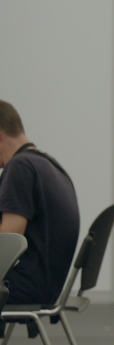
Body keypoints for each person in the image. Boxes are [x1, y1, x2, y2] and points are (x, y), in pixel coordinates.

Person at [0, 101, 80, 309]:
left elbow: (8, 241)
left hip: (24, 287)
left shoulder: (19, 167)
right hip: (47, 286)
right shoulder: (49, 166)